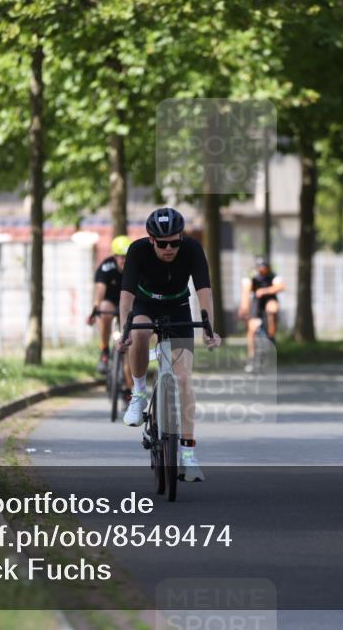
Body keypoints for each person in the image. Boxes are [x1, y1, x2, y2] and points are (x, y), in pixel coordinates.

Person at [117, 207, 222, 482]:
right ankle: (139, 393)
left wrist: (209, 328)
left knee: (184, 378)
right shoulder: (137, 250)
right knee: (139, 334)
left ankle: (188, 454)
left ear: (181, 238)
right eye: (162, 244)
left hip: (178, 307)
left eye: (174, 243)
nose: (169, 249)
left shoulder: (192, 249)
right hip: (145, 304)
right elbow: (126, 297)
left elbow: (204, 292)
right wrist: (124, 331)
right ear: (151, 240)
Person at [87, 235, 131, 376]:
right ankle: (104, 350)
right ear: (115, 256)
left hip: (129, 304)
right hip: (111, 302)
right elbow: (100, 288)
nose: (124, 260)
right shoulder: (106, 267)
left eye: (127, 257)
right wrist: (95, 308)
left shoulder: (135, 267)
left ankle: (129, 382)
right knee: (104, 310)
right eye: (121, 257)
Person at [238, 256, 284, 372]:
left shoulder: (273, 276)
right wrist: (244, 307)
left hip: (269, 300)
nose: (262, 270)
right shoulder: (251, 277)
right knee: (252, 329)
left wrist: (264, 291)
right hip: (257, 304)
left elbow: (280, 286)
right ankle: (252, 357)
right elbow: (246, 291)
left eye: (264, 267)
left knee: (273, 308)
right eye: (260, 267)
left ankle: (271, 336)